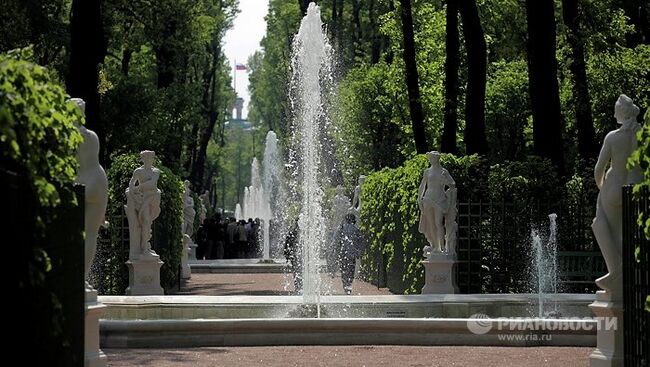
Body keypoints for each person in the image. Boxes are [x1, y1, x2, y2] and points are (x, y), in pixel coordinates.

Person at [592, 94, 643, 296]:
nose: (614, 113)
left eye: (615, 109)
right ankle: (630, 276)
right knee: (632, 234)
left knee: (603, 226)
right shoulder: (643, 136)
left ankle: (616, 273)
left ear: (622, 112)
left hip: (613, 187)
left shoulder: (613, 137)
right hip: (637, 187)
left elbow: (599, 169)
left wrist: (602, 188)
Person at [417, 151, 456, 253]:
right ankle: (435, 246)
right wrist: (419, 198)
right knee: (431, 224)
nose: (431, 160)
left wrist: (446, 181)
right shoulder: (427, 171)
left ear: (437, 159)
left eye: (432, 158)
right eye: (430, 158)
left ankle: (442, 247)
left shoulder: (444, 171)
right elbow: (422, 186)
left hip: (439, 198)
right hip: (428, 198)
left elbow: (452, 184)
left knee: (438, 223)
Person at [125, 150, 161, 258]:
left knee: (148, 222)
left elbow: (152, 183)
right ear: (143, 159)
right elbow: (132, 182)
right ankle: (144, 247)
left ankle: (146, 246)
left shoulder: (155, 171)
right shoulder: (138, 171)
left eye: (150, 158)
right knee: (145, 221)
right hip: (142, 199)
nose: (149, 160)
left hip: (152, 197)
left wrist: (138, 188)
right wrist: (132, 191)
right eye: (146, 157)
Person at [331, 214, 368, 295]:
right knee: (351, 271)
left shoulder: (341, 228)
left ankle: (345, 286)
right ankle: (349, 286)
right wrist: (359, 252)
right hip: (352, 254)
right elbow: (361, 241)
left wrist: (334, 251)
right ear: (353, 220)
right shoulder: (356, 229)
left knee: (343, 271)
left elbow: (335, 240)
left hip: (342, 253)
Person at [284, 218, 302, 293]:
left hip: (295, 255)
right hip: (295, 255)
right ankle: (299, 286)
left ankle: (298, 286)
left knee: (296, 271)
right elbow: (287, 245)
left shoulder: (292, 232)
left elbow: (286, 245)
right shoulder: (294, 232)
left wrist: (287, 255)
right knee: (297, 271)